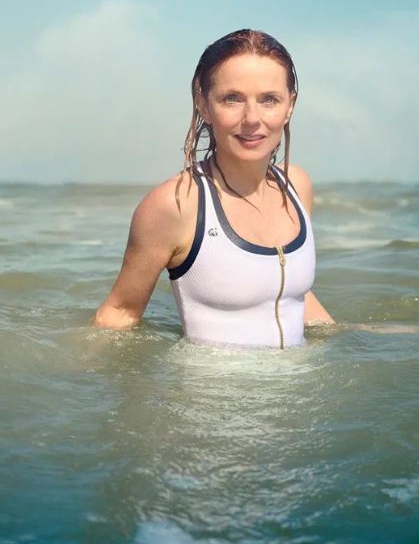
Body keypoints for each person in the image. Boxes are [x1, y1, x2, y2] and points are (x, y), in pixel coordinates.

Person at [92, 29, 335, 348]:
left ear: (290, 105)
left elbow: (288, 290)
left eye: (269, 100)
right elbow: (119, 314)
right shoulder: (176, 205)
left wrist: (357, 336)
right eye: (232, 99)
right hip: (208, 396)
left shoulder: (296, 186)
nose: (252, 119)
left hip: (300, 394)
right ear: (204, 105)